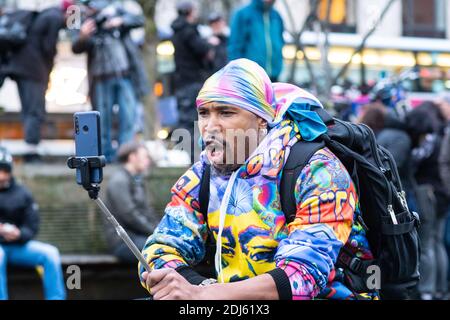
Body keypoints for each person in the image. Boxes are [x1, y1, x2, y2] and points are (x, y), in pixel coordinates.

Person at [138, 59, 376, 300]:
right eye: (203, 113)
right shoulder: (203, 175)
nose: (210, 126)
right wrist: (195, 289)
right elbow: (158, 250)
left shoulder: (318, 172)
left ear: (262, 119)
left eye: (226, 112)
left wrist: (203, 295)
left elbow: (302, 277)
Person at [72, 0, 149, 162]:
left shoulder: (116, 13)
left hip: (124, 75)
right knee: (102, 121)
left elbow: (139, 20)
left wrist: (120, 21)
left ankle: (125, 154)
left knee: (128, 117)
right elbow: (75, 47)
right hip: (101, 78)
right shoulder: (83, 22)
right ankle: (105, 156)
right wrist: (83, 36)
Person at [0, 2, 69, 162]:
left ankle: (30, 149)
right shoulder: (55, 17)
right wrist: (49, 67)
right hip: (33, 69)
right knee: (35, 112)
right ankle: (31, 154)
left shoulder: (45, 15)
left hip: (20, 67)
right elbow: (48, 47)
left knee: (29, 111)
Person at [0, 147, 66, 300]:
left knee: (50, 254)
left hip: (17, 246)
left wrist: (19, 234)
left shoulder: (22, 193)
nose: (1, 175)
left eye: (4, 170)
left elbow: (32, 226)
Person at [407, 101, 449, 300]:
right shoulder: (441, 136)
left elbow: (416, 163)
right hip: (441, 195)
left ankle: (428, 290)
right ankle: (439, 287)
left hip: (429, 194)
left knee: (428, 244)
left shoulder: (429, 142)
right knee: (437, 242)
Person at [171, 1, 214, 164]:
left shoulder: (176, 31)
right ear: (189, 11)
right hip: (193, 82)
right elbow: (203, 50)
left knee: (186, 120)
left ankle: (186, 157)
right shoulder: (189, 31)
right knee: (194, 121)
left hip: (182, 83)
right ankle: (193, 159)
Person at [103, 142, 159, 263]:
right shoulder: (119, 181)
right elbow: (130, 215)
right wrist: (155, 232)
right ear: (132, 157)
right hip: (123, 242)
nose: (148, 161)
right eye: (145, 157)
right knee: (160, 251)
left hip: (137, 237)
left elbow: (146, 211)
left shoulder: (134, 179)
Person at [228, 0, 284, 82]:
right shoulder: (243, 15)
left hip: (274, 75)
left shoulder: (276, 16)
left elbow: (280, 41)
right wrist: (237, 73)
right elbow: (235, 47)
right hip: (250, 77)